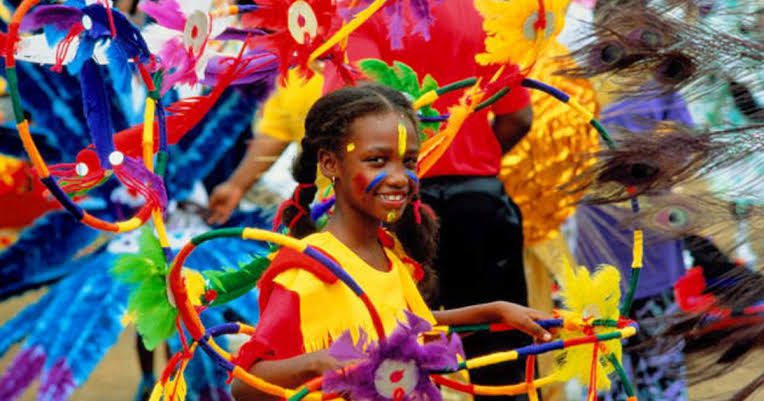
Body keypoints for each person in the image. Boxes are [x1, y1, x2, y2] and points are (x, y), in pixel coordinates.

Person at [210, 3, 535, 397]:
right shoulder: (307, 271)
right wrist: (314, 363)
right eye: (378, 159)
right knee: (502, 379)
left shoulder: (390, 258)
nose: (398, 175)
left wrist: (492, 311)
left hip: (439, 212)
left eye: (409, 161)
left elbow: (404, 320)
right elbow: (245, 387)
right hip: (480, 196)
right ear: (330, 162)